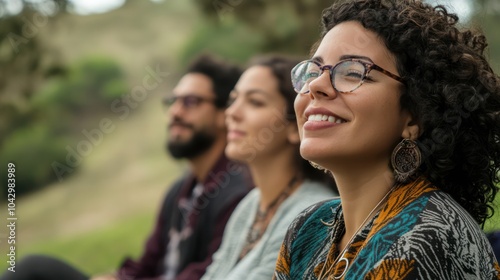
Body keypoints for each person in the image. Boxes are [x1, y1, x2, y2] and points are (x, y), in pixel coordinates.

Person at [273, 0, 500, 279]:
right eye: (313, 71)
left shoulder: (427, 236)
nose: (317, 85)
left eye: (353, 72)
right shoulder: (308, 229)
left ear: (414, 116)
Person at [1, 54, 253, 280]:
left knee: (32, 269)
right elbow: (148, 261)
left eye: (190, 102)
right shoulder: (179, 191)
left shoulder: (238, 192)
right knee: (30, 269)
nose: (175, 112)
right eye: (172, 101)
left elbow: (211, 273)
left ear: (224, 113)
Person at [201, 55, 338, 280]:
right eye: (233, 99)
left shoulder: (311, 213)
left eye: (255, 102)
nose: (232, 113)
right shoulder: (250, 206)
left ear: (296, 126)